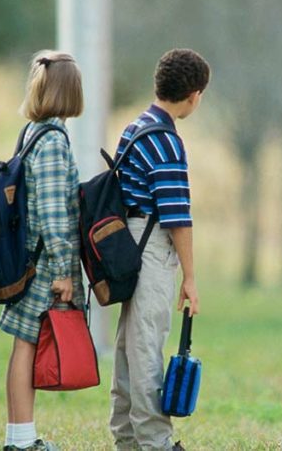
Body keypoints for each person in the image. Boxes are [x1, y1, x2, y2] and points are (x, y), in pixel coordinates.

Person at [109, 49, 208, 451]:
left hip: (126, 244)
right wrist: (190, 277)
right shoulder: (166, 142)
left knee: (129, 345)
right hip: (151, 246)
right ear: (194, 95)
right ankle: (156, 443)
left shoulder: (134, 128)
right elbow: (177, 217)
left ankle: (127, 437)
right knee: (146, 344)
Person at [0, 51, 85, 451]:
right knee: (27, 343)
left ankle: (20, 435)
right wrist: (64, 270)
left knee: (25, 343)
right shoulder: (52, 141)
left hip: (31, 258)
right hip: (44, 263)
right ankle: (19, 439)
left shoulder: (33, 132)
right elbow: (52, 211)